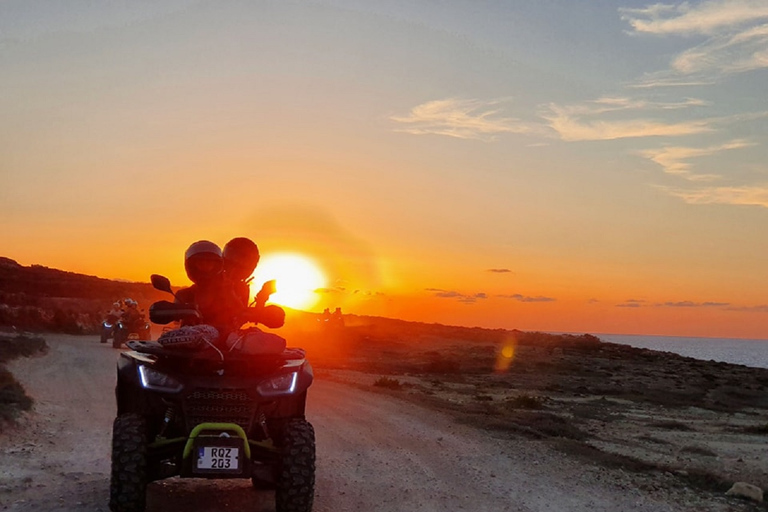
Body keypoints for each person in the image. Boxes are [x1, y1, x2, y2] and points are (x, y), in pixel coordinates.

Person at [173, 239, 285, 349]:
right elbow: (175, 318)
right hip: (191, 344)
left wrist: (262, 298)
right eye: (201, 264)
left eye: (210, 264)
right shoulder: (184, 294)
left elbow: (241, 316)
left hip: (227, 344)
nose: (206, 268)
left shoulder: (241, 288)